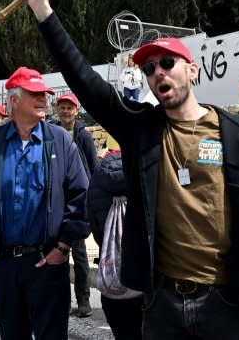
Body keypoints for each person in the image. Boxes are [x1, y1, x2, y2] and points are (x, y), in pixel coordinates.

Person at [23, 0, 239, 339]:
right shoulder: (142, 128)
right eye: (150, 68)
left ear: (193, 70)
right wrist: (43, 10)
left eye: (167, 63)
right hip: (162, 303)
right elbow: (86, 82)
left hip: (226, 302)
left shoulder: (234, 130)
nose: (158, 73)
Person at [0, 66, 90, 340]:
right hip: (3, 266)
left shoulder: (60, 141)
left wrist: (63, 246)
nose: (43, 100)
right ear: (13, 100)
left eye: (43, 94)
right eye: (34, 94)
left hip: (48, 262)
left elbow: (81, 196)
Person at [88, 141, 144, 340]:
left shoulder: (96, 181)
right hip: (146, 280)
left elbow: (95, 229)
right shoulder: (143, 173)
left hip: (114, 287)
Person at [54, 91, 97, 318]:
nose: (65, 111)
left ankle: (83, 300)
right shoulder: (51, 133)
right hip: (55, 201)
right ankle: (59, 300)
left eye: (69, 107)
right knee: (56, 252)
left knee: (79, 254)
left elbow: (93, 168)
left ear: (76, 110)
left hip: (77, 201)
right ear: (56, 109)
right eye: (62, 107)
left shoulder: (83, 136)